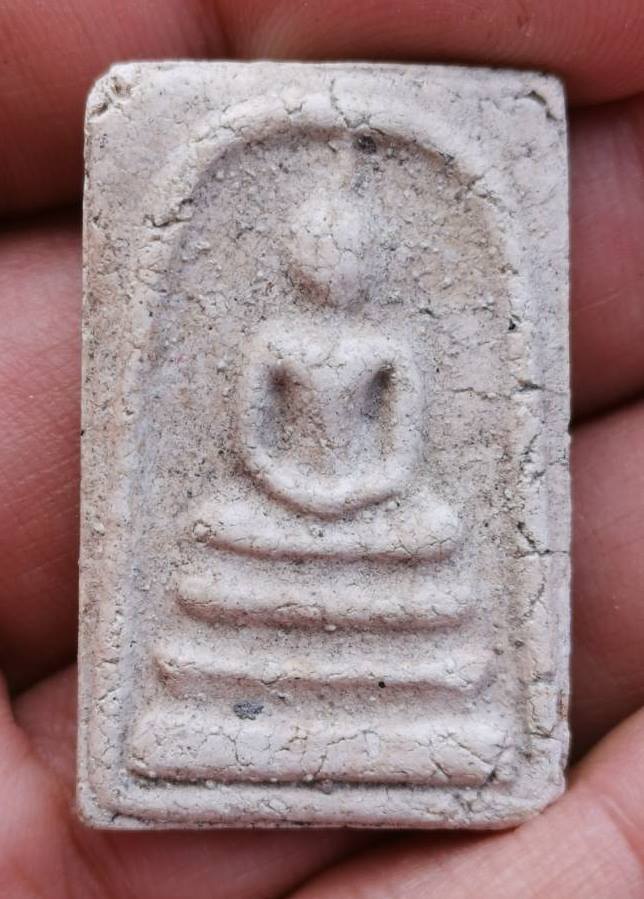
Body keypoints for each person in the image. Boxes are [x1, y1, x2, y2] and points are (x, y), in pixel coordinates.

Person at [1, 2, 643, 895]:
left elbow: (400, 452)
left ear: (370, 264)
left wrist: (355, 494)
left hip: (372, 502)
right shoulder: (274, 342)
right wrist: (297, 490)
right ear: (298, 261)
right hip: (280, 498)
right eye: (318, 253)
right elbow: (253, 443)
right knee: (218, 532)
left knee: (435, 531)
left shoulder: (389, 345)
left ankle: (421, 722)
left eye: (347, 257)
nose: (332, 270)